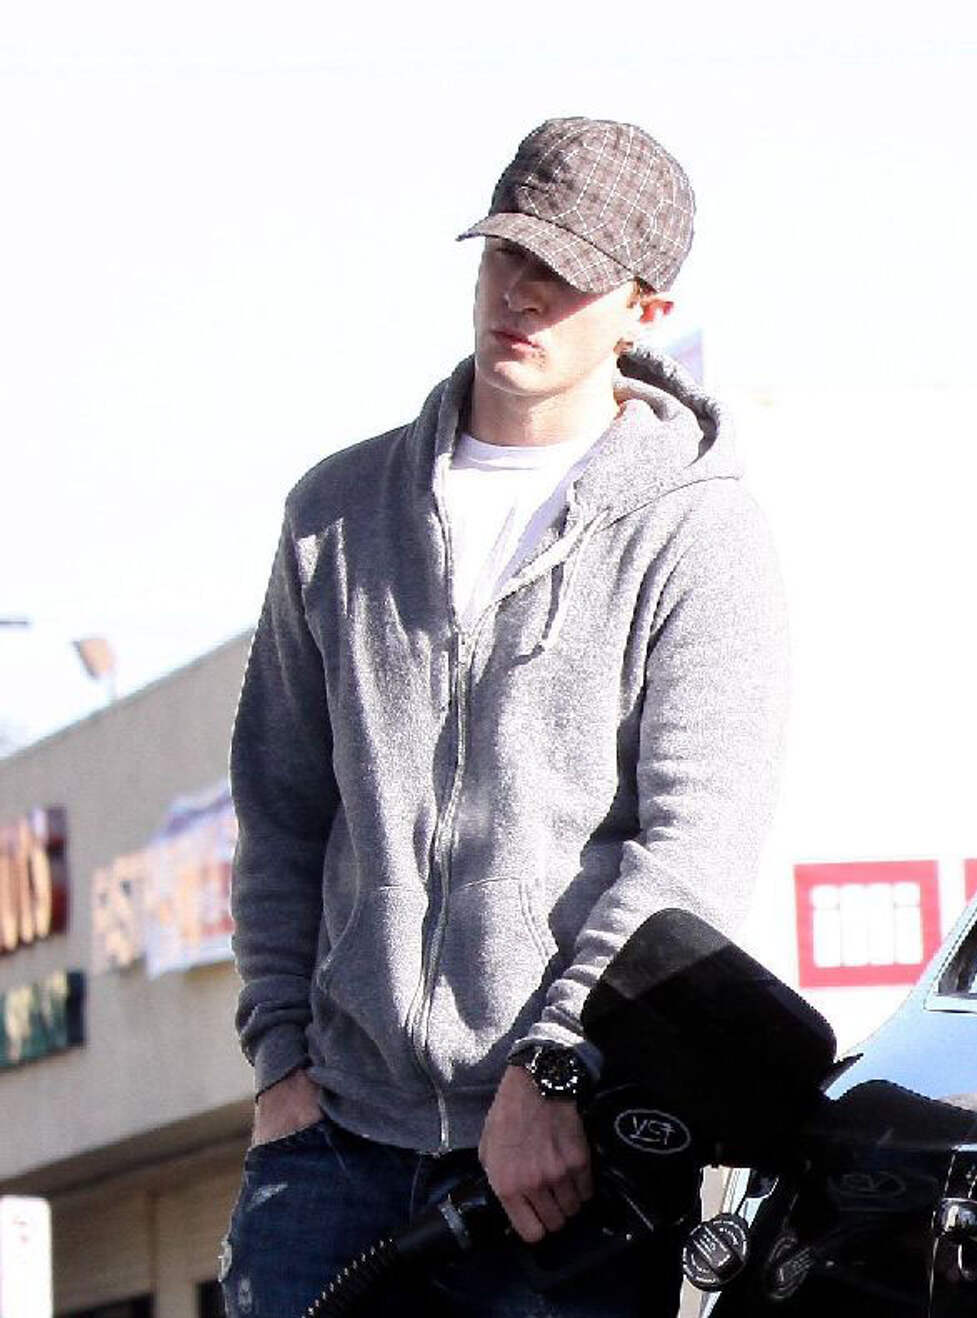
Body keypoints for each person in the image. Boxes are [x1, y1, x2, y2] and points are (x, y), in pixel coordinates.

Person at [220, 116, 788, 1317]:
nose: (522, 295)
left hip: (563, 1166)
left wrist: (556, 1063)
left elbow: (692, 853)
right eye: (507, 256)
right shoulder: (336, 514)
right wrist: (279, 1069)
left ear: (642, 309)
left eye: (565, 276)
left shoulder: (696, 531)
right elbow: (280, 809)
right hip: (331, 1152)